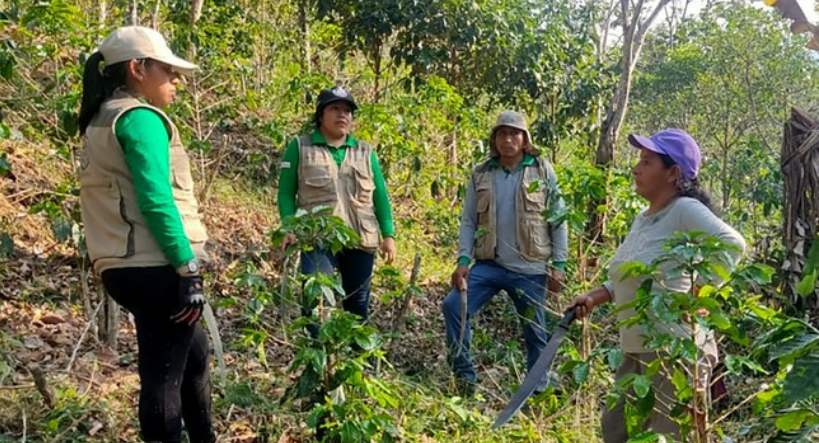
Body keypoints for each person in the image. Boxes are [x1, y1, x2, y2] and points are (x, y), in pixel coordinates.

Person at [78, 26, 215, 443]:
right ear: (138, 69)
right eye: (167, 71)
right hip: (155, 265)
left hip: (121, 264)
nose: (176, 80)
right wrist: (186, 266)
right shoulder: (139, 119)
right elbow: (156, 200)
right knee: (163, 374)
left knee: (194, 356)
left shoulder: (102, 117)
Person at [570, 129, 746, 442]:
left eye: (647, 162)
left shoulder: (684, 210)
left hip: (673, 350)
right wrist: (595, 296)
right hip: (636, 349)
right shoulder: (643, 218)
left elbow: (733, 243)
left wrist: (700, 292)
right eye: (639, 160)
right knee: (616, 429)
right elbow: (634, 275)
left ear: (673, 173)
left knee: (672, 435)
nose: (636, 169)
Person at [442, 110, 568, 394]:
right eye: (501, 134)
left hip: (530, 268)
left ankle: (537, 391)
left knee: (534, 331)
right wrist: (463, 259)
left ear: (525, 140)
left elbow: (558, 218)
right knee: (454, 306)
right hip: (490, 265)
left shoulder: (541, 170)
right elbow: (469, 219)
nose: (507, 139)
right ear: (494, 139)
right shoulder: (482, 172)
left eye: (514, 134)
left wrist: (559, 264)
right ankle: (464, 379)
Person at [277, 86, 396, 323]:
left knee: (357, 306)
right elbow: (285, 194)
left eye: (347, 111)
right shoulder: (300, 147)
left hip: (360, 237)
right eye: (334, 109)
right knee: (315, 300)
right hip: (318, 237)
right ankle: (314, 346)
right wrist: (288, 227)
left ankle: (353, 347)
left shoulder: (365, 152)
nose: (342, 115)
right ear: (320, 115)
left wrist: (388, 235)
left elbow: (380, 196)